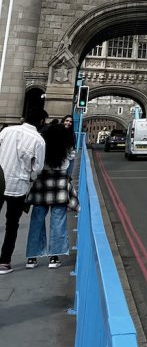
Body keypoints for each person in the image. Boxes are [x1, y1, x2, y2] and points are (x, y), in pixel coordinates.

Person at [25, 123, 79, 269]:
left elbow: (34, 168)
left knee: (36, 221)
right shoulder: (67, 150)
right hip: (60, 185)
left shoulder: (42, 147)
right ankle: (54, 257)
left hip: (41, 185)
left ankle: (32, 258)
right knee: (58, 221)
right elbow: (69, 168)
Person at [0, 111, 47, 274]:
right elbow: (38, 168)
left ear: (24, 119)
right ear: (41, 121)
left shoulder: (7, 131)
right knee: (11, 226)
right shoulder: (38, 140)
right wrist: (30, 176)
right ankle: (4, 262)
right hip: (18, 187)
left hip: (0, 181)